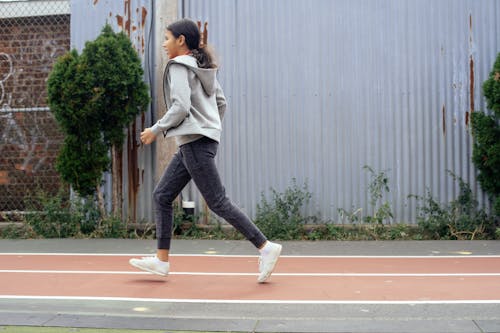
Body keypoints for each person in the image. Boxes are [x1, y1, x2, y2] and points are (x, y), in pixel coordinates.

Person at [129, 18, 282, 283]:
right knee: (163, 195)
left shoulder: (178, 66)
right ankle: (161, 261)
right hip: (200, 141)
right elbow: (221, 103)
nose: (164, 44)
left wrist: (155, 129)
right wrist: (210, 127)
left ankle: (265, 247)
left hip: (195, 142)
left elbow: (179, 107)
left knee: (217, 201)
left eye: (167, 38)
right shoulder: (204, 67)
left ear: (181, 41)